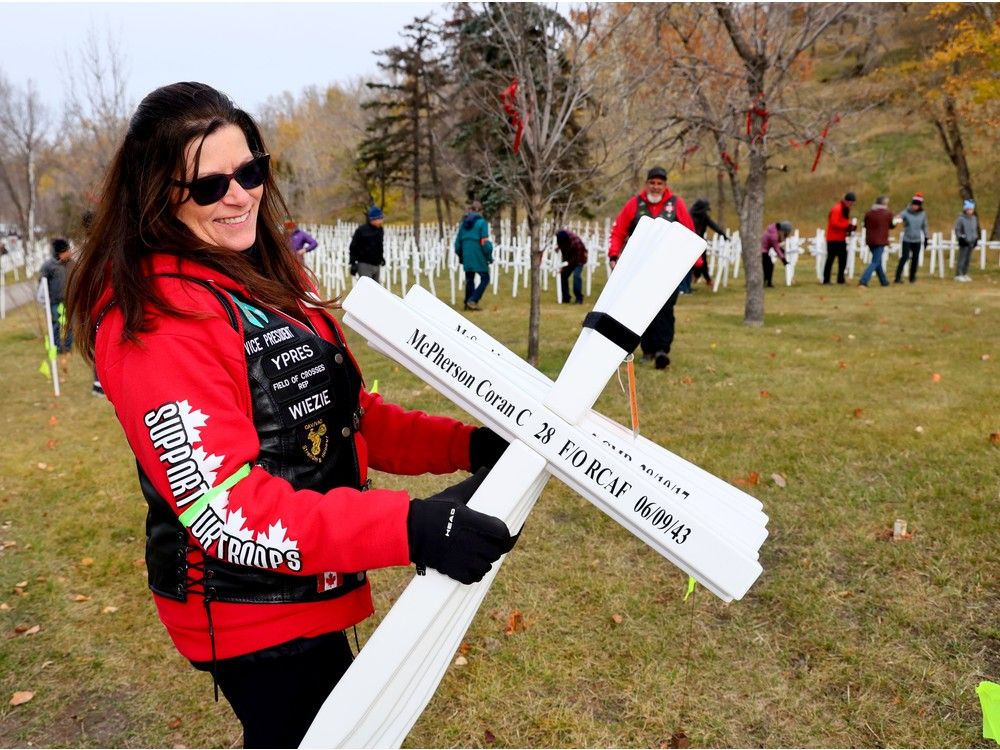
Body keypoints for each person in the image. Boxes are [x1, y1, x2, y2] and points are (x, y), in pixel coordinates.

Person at [66, 82, 515, 749]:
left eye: (250, 171)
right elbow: (225, 509)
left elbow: (343, 417)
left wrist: (467, 445)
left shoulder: (264, 272)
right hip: (248, 608)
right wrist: (411, 526)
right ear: (160, 194)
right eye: (210, 186)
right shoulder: (158, 318)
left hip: (308, 583)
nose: (240, 194)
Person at [607, 166, 695, 369]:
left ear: (665, 186)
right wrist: (614, 254)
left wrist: (694, 262)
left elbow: (690, 232)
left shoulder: (676, 204)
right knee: (642, 309)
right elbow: (618, 231)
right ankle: (647, 349)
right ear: (646, 184)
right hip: (640, 267)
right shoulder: (634, 204)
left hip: (668, 268)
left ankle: (662, 349)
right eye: (652, 183)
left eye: (660, 184)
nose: (655, 187)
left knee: (665, 309)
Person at [454, 200, 493, 311]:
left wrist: (461, 256)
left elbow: (457, 244)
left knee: (469, 279)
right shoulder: (482, 223)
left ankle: (467, 303)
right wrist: (489, 256)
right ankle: (473, 300)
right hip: (478, 255)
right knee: (485, 278)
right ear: (480, 211)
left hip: (467, 255)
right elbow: (485, 243)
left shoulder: (463, 224)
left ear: (471, 209)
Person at [38, 238, 75, 356]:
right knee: (56, 325)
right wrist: (46, 299)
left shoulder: (72, 264)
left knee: (69, 325)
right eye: (66, 251)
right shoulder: (48, 266)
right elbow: (42, 284)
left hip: (69, 302)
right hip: (54, 302)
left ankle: (68, 347)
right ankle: (57, 347)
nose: (69, 253)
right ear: (59, 253)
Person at [689, 198, 728, 288]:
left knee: (703, 262)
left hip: (701, 242)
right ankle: (698, 278)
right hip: (691, 241)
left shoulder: (704, 216)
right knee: (692, 263)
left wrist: (722, 234)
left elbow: (713, 225)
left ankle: (706, 279)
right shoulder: (689, 215)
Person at [858, 196, 894, 288]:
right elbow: (892, 225)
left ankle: (884, 281)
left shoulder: (869, 213)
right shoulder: (888, 214)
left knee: (878, 261)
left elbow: (865, 224)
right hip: (880, 240)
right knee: (875, 262)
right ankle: (863, 281)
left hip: (870, 240)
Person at [823, 191, 857, 284]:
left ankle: (840, 279)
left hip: (841, 238)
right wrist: (847, 226)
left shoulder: (845, 209)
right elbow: (834, 223)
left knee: (843, 260)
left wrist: (850, 228)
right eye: (852, 203)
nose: (852, 205)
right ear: (848, 201)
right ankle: (826, 279)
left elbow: (843, 222)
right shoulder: (837, 209)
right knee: (830, 259)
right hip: (833, 239)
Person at [894, 193, 928, 284]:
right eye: (914, 204)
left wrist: (926, 238)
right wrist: (895, 220)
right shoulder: (906, 212)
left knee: (915, 259)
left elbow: (924, 226)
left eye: (917, 205)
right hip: (907, 239)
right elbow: (897, 218)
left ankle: (912, 278)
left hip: (917, 240)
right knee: (904, 257)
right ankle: (897, 278)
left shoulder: (923, 214)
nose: (915, 206)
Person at [348, 206, 385, 282]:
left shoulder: (380, 230)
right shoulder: (361, 230)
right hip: (364, 265)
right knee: (367, 289)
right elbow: (353, 247)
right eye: (380, 218)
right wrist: (353, 262)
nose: (382, 221)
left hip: (376, 265)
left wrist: (381, 257)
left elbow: (379, 245)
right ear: (373, 219)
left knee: (376, 290)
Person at [555, 228, 587, 304]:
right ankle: (566, 297)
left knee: (576, 276)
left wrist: (566, 265)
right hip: (569, 259)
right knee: (563, 276)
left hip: (579, 259)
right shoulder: (561, 237)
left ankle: (579, 298)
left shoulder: (576, 243)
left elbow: (576, 258)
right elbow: (564, 251)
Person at [954, 199, 980, 282]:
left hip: (971, 241)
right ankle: (959, 274)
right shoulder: (961, 219)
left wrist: (976, 238)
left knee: (968, 259)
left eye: (971, 209)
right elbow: (957, 229)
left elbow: (975, 229)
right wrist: (960, 238)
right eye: (968, 209)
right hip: (964, 241)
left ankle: (965, 273)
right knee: (962, 258)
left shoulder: (974, 219)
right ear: (965, 209)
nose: (970, 211)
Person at [759, 221, 792, 288]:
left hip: (762, 251)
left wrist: (781, 251)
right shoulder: (774, 235)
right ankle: (768, 283)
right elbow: (776, 248)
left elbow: (776, 245)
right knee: (769, 266)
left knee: (768, 266)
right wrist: (784, 260)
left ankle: (766, 282)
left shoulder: (773, 231)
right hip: (762, 252)